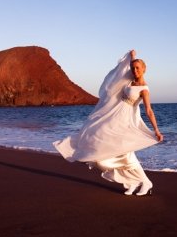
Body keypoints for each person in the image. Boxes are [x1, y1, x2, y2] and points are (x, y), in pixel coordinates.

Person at [53, 50, 164, 196]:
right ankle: (131, 182)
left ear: (144, 69)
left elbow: (149, 110)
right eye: (133, 68)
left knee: (126, 155)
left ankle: (145, 182)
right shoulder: (130, 80)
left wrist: (156, 130)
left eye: (138, 68)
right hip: (112, 118)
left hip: (125, 123)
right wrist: (132, 57)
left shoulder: (144, 89)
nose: (135, 70)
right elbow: (127, 68)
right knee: (104, 153)